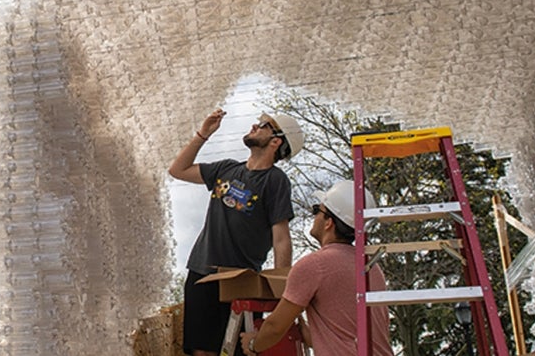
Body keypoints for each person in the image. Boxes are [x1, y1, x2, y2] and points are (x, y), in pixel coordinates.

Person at [168, 108, 304, 356]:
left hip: (241, 280)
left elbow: (281, 237)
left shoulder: (275, 180)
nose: (255, 125)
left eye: (264, 124)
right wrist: (203, 134)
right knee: (201, 352)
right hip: (202, 271)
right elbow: (177, 170)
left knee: (238, 351)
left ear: (276, 142)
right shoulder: (226, 169)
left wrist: (281, 289)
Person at [239, 180, 393, 356]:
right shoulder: (370, 267)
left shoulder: (315, 265)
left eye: (316, 211)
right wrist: (307, 334)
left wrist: (253, 344)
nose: (314, 217)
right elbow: (346, 338)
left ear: (329, 223)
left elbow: (275, 327)